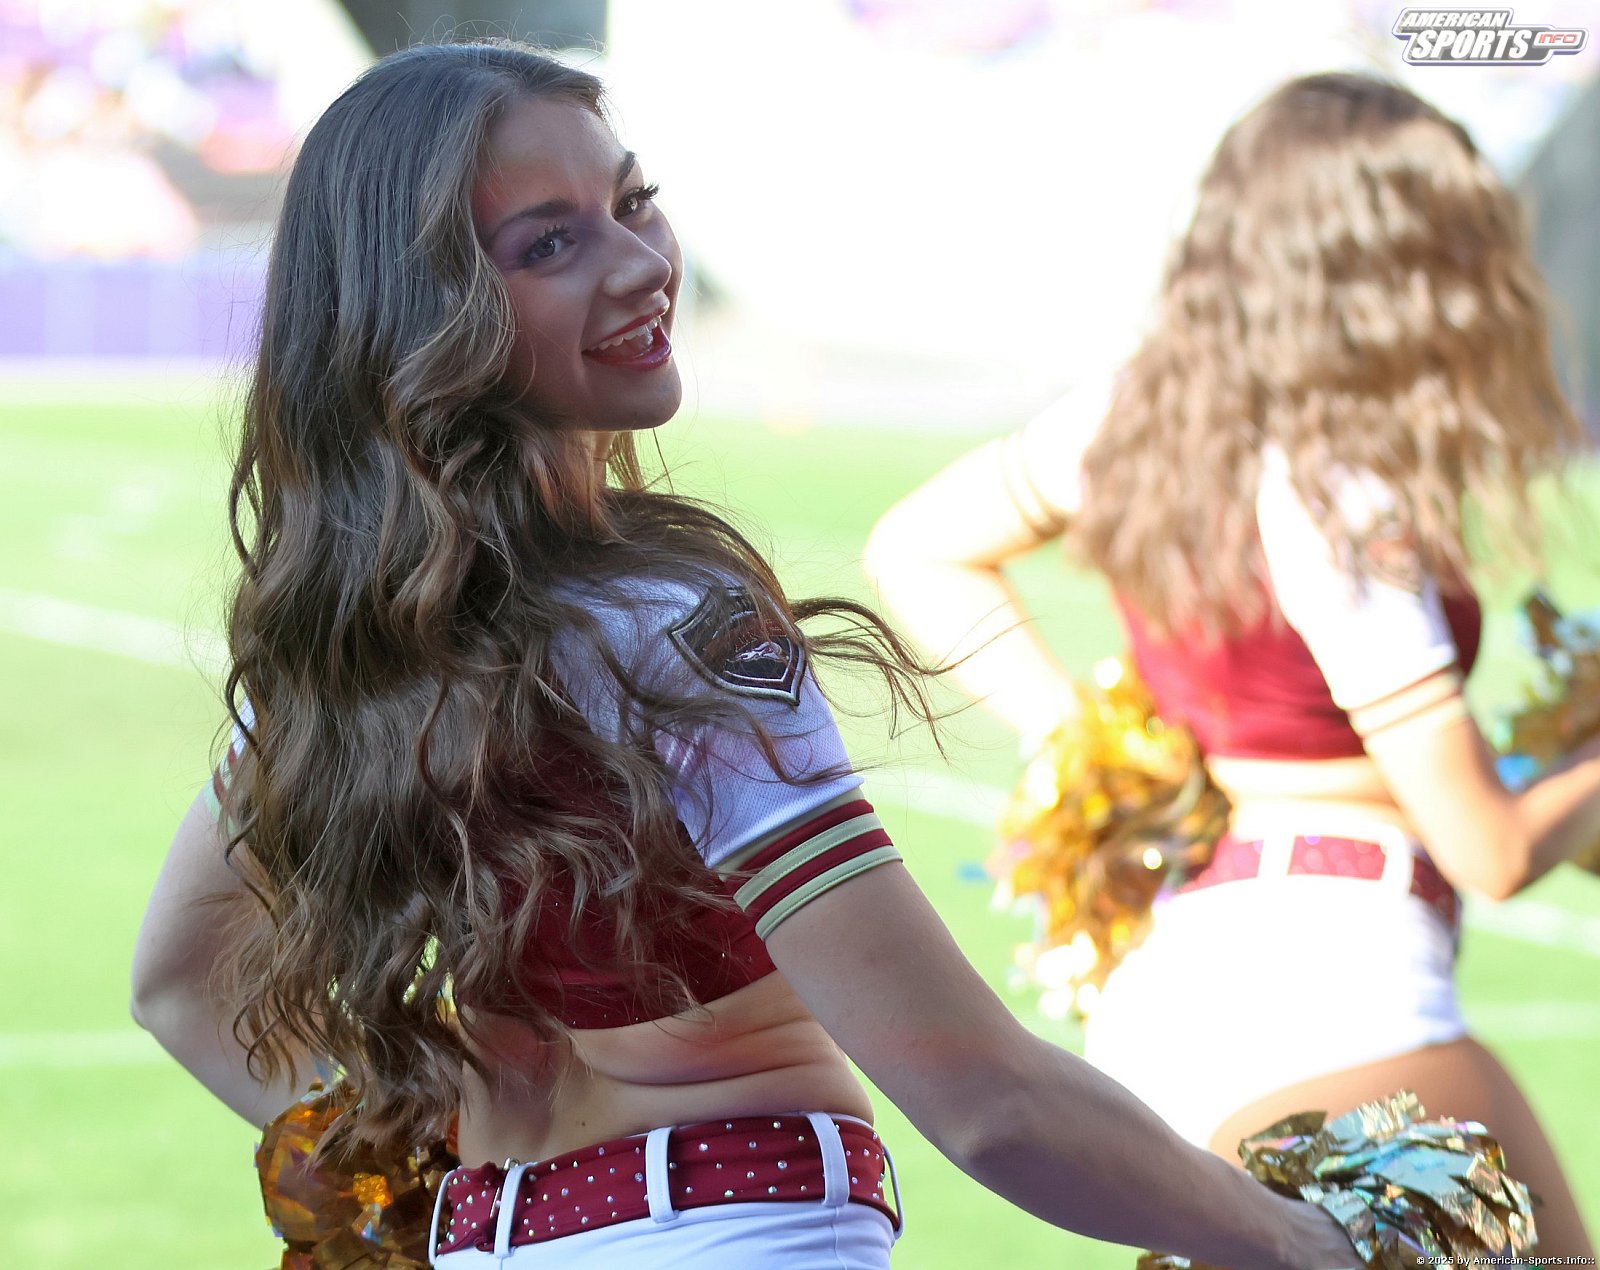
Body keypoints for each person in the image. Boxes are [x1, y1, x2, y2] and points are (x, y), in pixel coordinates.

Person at [125, 40, 1367, 1269]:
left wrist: (406, 1190)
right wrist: (1304, 1239)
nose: (639, 265)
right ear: (425, 311)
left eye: (633, 203)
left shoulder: (347, 646)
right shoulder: (668, 620)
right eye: (549, 245)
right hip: (738, 1229)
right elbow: (988, 1098)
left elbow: (178, 984)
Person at [865, 72, 1599, 1256]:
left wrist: (1102, 750)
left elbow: (919, 549)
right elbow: (1491, 847)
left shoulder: (1143, 417)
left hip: (1171, 994)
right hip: (1343, 993)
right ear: (1385, 268)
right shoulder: (1344, 496)